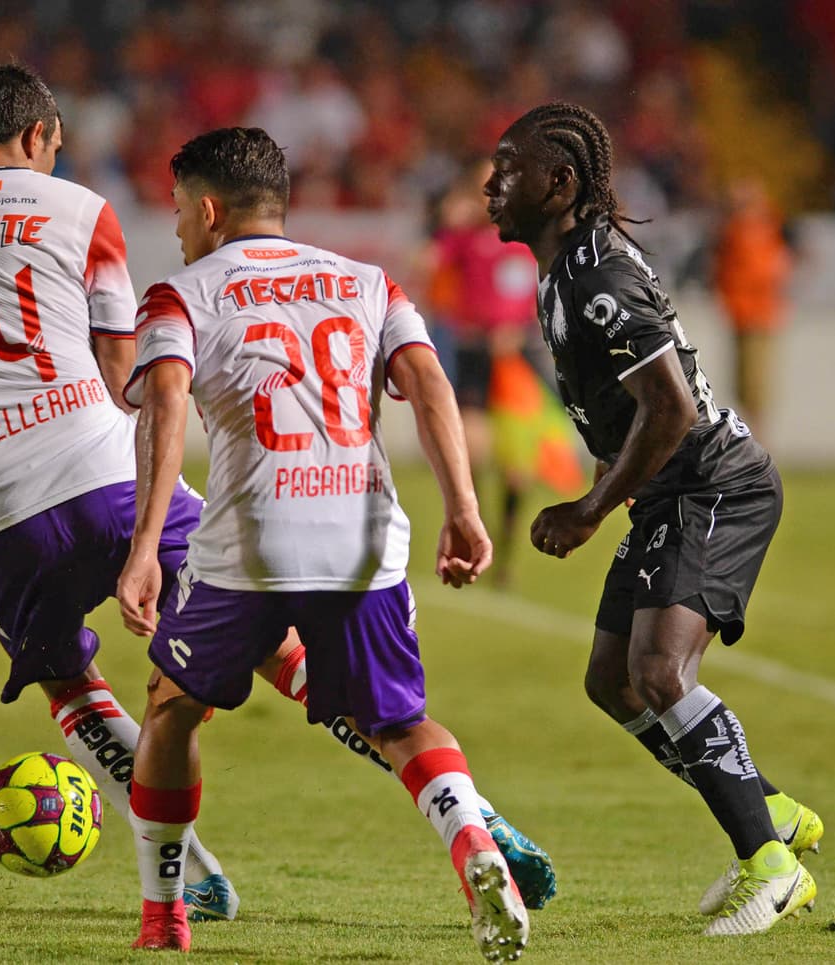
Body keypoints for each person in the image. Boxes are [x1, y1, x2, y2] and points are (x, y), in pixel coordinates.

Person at [0, 64, 554, 926]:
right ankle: (469, 815)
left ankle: (184, 879)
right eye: (58, 146)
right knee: (286, 648)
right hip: (108, 470)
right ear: (38, 137)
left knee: (77, 686)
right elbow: (127, 379)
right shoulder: (81, 212)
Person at [115, 127, 530, 960]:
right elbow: (428, 383)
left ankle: (164, 917)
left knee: (170, 703)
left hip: (248, 548)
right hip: (362, 543)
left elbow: (164, 402)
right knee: (399, 721)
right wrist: (464, 508)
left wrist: (144, 545)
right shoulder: (371, 282)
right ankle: (474, 847)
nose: (175, 231)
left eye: (176, 213)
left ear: (207, 209)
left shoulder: (181, 292)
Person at [483, 102, 822, 936]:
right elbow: (623, 412)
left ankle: (772, 867)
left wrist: (592, 509)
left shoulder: (598, 272)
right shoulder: (563, 272)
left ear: (560, 184)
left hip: (714, 483)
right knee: (612, 679)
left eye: (508, 169)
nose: (492, 184)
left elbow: (668, 407)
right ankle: (770, 810)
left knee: (663, 669)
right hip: (669, 490)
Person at [428, 160, 583, 586]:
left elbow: (536, 297)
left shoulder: (522, 241)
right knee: (472, 448)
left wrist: (517, 330)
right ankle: (471, 523)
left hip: (516, 362)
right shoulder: (462, 239)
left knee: (518, 467)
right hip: (476, 354)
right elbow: (430, 264)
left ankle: (507, 547)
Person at [711, 177, 794, 444]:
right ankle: (755, 443)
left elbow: (761, 272)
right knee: (745, 387)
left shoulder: (756, 231)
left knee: (754, 387)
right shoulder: (742, 230)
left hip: (756, 315)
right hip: (743, 315)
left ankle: (758, 445)